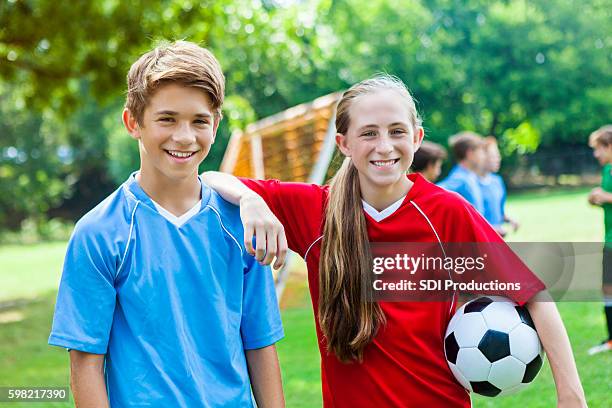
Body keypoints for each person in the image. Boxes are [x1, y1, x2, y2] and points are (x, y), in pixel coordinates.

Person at [203, 74, 586, 407]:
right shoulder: (315, 211)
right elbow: (207, 180)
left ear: (416, 138)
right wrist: (252, 199)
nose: (384, 145)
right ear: (344, 144)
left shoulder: (446, 213)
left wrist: (571, 396)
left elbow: (534, 295)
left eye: (396, 131)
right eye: (368, 133)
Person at [48, 41, 285, 407]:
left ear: (216, 124)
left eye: (199, 121)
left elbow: (260, 345)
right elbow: (86, 365)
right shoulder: (99, 234)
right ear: (133, 122)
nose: (185, 137)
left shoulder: (242, 227)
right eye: (167, 119)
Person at [587, 124, 612, 355]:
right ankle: (611, 338)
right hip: (609, 239)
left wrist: (605, 196)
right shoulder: (607, 170)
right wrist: (596, 199)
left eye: (599, 149)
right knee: (607, 288)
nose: (596, 154)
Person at [437, 131, 487, 214]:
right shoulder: (460, 178)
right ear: (470, 153)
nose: (483, 156)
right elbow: (435, 192)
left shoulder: (470, 176)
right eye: (480, 152)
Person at [478, 137, 519, 237]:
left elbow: (499, 212)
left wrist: (510, 220)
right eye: (493, 156)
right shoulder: (470, 184)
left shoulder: (497, 181)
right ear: (481, 157)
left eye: (498, 155)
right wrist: (493, 229)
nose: (498, 159)